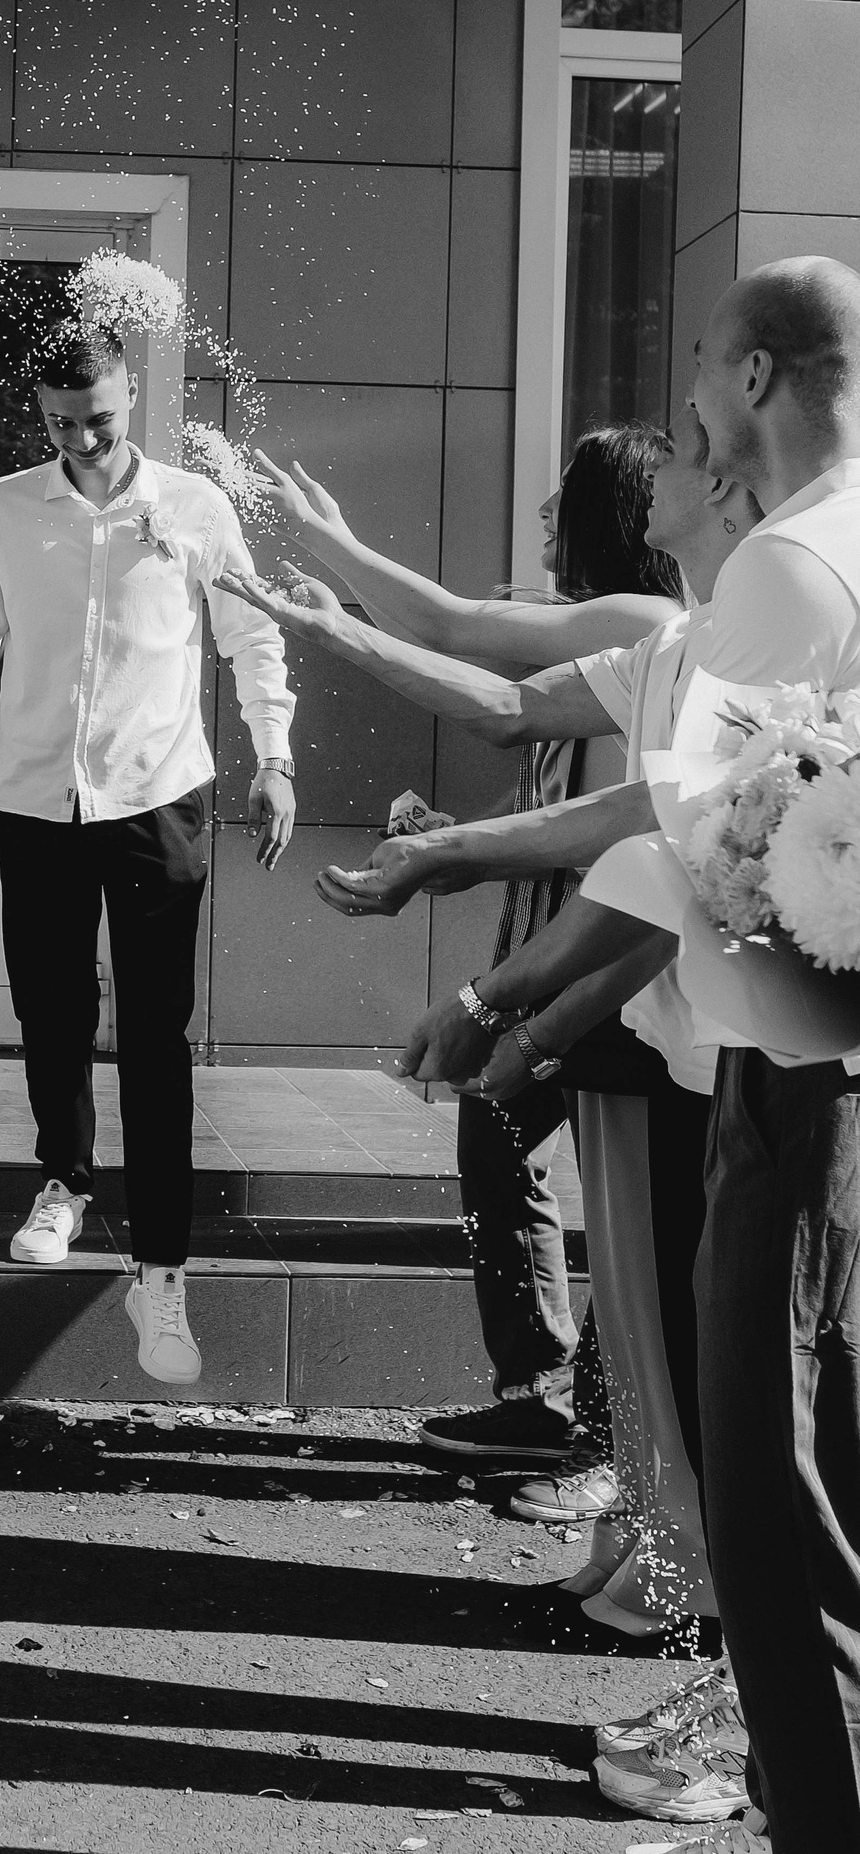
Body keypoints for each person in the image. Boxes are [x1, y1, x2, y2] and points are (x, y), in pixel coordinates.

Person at [389, 258, 860, 1854]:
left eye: (700, 382)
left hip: (799, 1082)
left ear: (758, 378)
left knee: (779, 1501)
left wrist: (496, 989)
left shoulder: (792, 566)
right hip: (809, 1066)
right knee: (804, 1493)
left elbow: (680, 837)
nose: (688, 420)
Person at [224, 402, 756, 1656]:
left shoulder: (677, 627)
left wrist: (508, 996)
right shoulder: (670, 638)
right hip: (642, 1007)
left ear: (729, 494)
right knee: (639, 1292)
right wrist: (336, 608)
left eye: (690, 450)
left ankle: (687, 1570)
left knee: (678, 1314)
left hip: (675, 1009)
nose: (665, 472)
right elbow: (498, 688)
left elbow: (637, 818)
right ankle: (654, 1527)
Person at [250, 423, 683, 1473]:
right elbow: (529, 751)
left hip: (613, 950)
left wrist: (333, 554)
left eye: (564, 492)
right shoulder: (612, 636)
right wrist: (455, 839)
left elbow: (465, 641)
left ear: (611, 511)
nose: (543, 510)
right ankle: (543, 1400)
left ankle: (601, 1443)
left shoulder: (648, 620)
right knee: (502, 1135)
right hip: (556, 929)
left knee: (626, 1212)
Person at [0, 323, 296, 1385]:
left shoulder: (194, 507)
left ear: (131, 397)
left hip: (159, 795)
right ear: (41, 412)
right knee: (52, 1007)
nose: (81, 439)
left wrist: (275, 755)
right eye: (61, 423)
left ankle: (162, 1266)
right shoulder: (4, 508)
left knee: (156, 1033)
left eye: (99, 420)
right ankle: (64, 1184)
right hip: (36, 797)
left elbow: (251, 635)